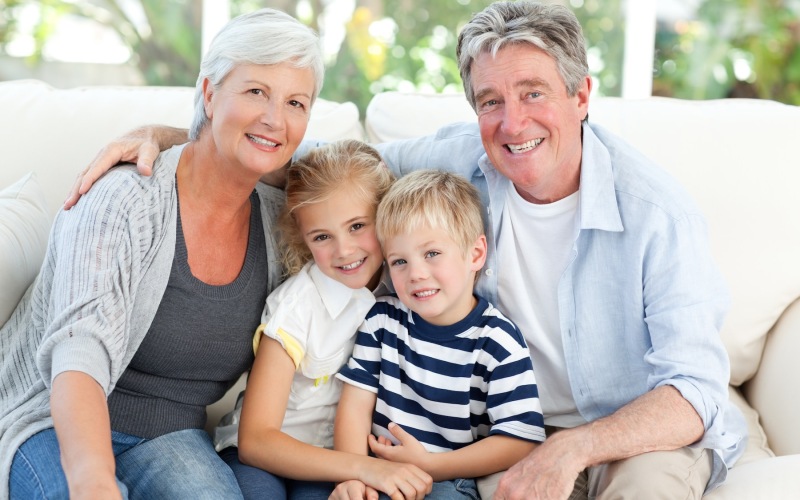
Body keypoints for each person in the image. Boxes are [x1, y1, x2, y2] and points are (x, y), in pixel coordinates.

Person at [66, 2, 747, 498]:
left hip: (629, 436)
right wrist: (178, 132)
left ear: (582, 96)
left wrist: (574, 448)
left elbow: (693, 390)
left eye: (533, 94)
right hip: (495, 439)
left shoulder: (656, 213)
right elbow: (315, 171)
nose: (512, 123)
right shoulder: (460, 162)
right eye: (490, 101)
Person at [0, 8, 327, 500]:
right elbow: (78, 349)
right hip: (48, 417)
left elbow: (349, 179)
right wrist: (93, 481)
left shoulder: (285, 219)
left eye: (296, 102)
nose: (275, 117)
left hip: (170, 436)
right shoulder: (125, 197)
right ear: (210, 93)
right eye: (256, 91)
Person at [214, 139, 432, 500]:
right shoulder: (298, 305)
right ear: (303, 238)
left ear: (386, 214)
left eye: (358, 226)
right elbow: (256, 441)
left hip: (336, 462)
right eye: (322, 236)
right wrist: (363, 468)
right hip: (266, 456)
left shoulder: (410, 291)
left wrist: (357, 469)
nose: (344, 250)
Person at [332, 170, 545, 500]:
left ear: (475, 254)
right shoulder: (382, 320)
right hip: (377, 474)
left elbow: (520, 440)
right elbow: (355, 408)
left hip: (449, 479)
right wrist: (351, 477)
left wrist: (433, 465)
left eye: (432, 254)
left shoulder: (497, 341)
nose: (416, 274)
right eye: (399, 261)